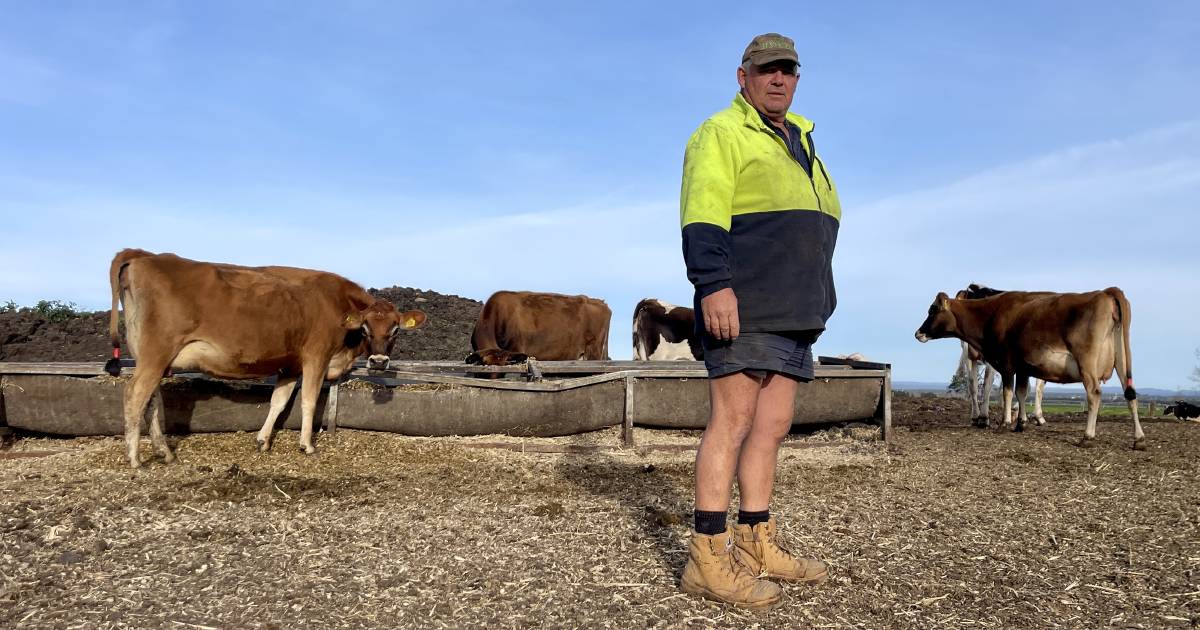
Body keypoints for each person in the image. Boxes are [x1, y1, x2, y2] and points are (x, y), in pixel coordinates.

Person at [678, 32, 841, 608]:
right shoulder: (721, 133)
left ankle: (755, 540)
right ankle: (706, 556)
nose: (779, 78)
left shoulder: (802, 143)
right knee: (734, 420)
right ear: (742, 76)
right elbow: (703, 216)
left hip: (795, 311)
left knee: (771, 428)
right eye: (767, 69)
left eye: (789, 70)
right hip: (743, 305)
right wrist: (713, 285)